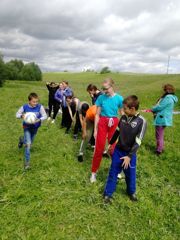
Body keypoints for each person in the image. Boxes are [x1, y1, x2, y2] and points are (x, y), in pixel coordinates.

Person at [104, 95, 147, 203]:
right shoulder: (123, 118)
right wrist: (111, 143)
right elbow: (117, 131)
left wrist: (129, 156)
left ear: (132, 109)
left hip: (130, 154)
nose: (122, 110)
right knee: (113, 172)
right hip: (118, 151)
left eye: (125, 108)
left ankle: (131, 192)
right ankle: (108, 194)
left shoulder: (142, 121)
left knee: (130, 174)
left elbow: (138, 141)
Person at [90, 78, 124, 183]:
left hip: (114, 122)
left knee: (113, 149)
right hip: (103, 123)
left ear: (112, 86)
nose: (105, 91)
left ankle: (117, 170)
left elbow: (122, 113)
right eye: (103, 89)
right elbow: (97, 114)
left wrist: (125, 126)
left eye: (106, 89)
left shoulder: (119, 98)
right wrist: (95, 130)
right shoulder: (101, 98)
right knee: (99, 148)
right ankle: (93, 173)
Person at [16, 93, 47, 169]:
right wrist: (21, 115)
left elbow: (45, 116)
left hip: (35, 127)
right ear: (29, 101)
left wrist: (39, 119)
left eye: (37, 101)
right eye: (34, 102)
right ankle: (27, 163)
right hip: (26, 127)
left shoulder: (40, 107)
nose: (35, 103)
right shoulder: (25, 107)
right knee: (28, 145)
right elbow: (17, 114)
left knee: (30, 142)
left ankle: (22, 140)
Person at [151, 84, 178, 155]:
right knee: (160, 134)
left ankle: (159, 151)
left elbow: (160, 107)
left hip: (161, 118)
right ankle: (161, 148)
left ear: (168, 90)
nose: (164, 91)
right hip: (165, 118)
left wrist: (152, 109)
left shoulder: (168, 98)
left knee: (159, 135)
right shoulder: (172, 98)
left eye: (165, 90)